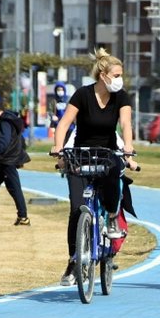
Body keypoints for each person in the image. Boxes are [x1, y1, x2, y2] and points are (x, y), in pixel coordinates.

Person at [51, 48, 137, 286]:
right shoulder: (82, 95)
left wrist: (128, 147)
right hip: (80, 155)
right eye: (116, 75)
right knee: (77, 209)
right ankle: (73, 260)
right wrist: (59, 149)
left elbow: (126, 125)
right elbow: (64, 124)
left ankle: (110, 216)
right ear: (103, 75)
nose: (120, 80)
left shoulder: (121, 97)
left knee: (113, 171)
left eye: (121, 76)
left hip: (107, 154)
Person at [0, 99, 30, 227]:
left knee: (14, 188)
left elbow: (4, 141)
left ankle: (23, 217)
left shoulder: (4, 122)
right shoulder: (9, 119)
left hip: (8, 160)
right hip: (6, 159)